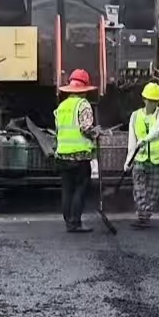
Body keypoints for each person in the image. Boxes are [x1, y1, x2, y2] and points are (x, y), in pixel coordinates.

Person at [54, 68, 98, 234]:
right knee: (80, 188)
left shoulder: (62, 106)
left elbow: (58, 129)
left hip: (63, 155)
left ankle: (68, 221)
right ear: (85, 89)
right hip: (79, 156)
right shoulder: (83, 105)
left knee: (67, 189)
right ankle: (75, 222)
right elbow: (86, 128)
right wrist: (96, 132)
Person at [124, 81, 159, 229]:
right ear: (144, 99)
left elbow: (157, 129)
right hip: (140, 159)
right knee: (139, 190)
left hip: (158, 160)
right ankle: (142, 215)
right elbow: (132, 140)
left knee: (153, 192)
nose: (152, 103)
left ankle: (146, 214)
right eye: (150, 100)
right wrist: (128, 161)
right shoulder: (135, 116)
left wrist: (145, 139)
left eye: (155, 101)